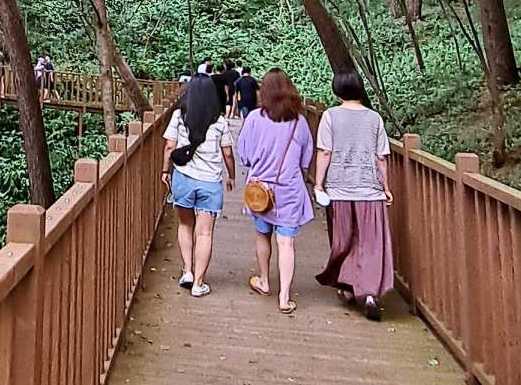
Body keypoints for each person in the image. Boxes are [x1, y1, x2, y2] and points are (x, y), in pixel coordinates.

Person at [313, 67, 394, 320]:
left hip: (340, 188)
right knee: (371, 242)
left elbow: (324, 152)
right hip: (370, 189)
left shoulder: (330, 116)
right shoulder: (374, 118)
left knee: (344, 239)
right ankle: (370, 293)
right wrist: (386, 187)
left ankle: (347, 285)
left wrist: (319, 183)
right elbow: (381, 156)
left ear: (337, 90)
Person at [234, 69, 312, 312]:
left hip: (260, 191)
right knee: (286, 242)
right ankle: (284, 297)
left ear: (263, 92)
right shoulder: (300, 122)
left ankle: (265, 281)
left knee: (262, 235)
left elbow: (244, 155)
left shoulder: (255, 118)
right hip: (289, 189)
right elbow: (305, 159)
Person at [161, 68, 235, 298]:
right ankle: (199, 284)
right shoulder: (220, 122)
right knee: (204, 233)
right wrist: (231, 175)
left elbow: (169, 147)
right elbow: (228, 153)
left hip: (183, 178)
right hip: (210, 182)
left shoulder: (179, 117)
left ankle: (187, 271)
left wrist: (166, 170)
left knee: (185, 226)